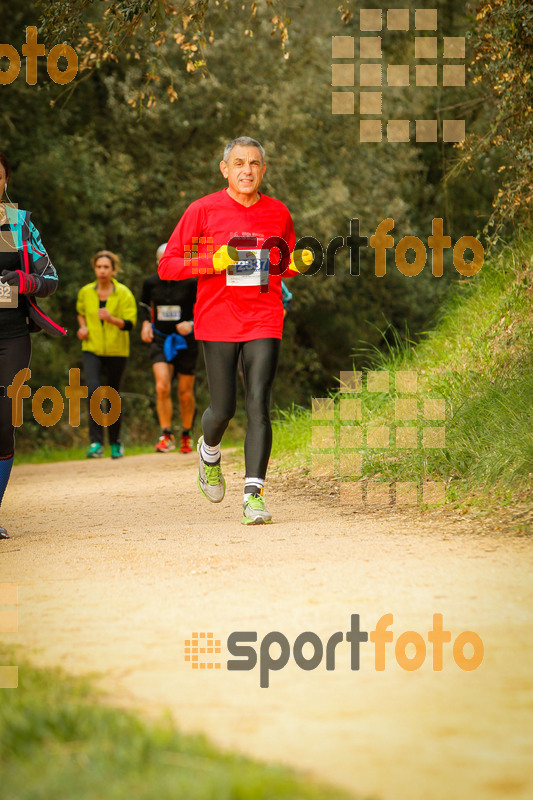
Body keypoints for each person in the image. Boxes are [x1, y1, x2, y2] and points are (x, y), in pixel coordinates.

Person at [159, 136, 309, 525]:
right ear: (224, 169)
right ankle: (209, 451)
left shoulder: (278, 212)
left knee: (259, 401)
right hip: (218, 318)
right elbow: (169, 265)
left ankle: (253, 495)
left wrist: (299, 262)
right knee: (223, 408)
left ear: (264, 170)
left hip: (264, 316)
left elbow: (282, 263)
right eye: (239, 163)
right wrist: (212, 260)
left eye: (255, 164)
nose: (247, 170)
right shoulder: (202, 209)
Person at [0, 152, 66, 539]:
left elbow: (50, 279)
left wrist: (24, 281)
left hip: (11, 336)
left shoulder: (16, 223)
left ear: (5, 182)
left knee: (3, 422)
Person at [76, 250, 137, 459]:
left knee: (112, 395)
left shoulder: (124, 293)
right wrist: (82, 328)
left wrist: (111, 319)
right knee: (93, 390)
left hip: (117, 350)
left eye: (106, 267)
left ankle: (115, 443)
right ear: (94, 269)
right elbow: (80, 312)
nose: (102, 271)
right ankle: (95, 443)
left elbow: (130, 324)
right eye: (99, 267)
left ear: (113, 270)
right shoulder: (86, 292)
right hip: (91, 348)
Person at [139, 243, 198, 454]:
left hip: (186, 341)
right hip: (160, 339)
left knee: (184, 392)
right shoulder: (150, 282)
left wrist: (191, 324)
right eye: (163, 260)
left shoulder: (191, 282)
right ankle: (166, 434)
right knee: (162, 386)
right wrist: (146, 323)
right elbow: (144, 305)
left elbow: (200, 307)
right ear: (157, 262)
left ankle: (186, 434)